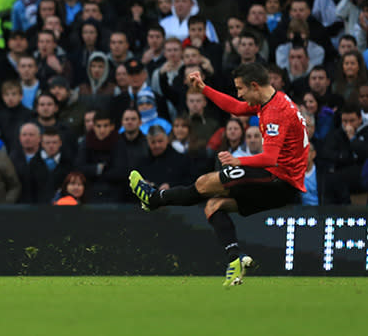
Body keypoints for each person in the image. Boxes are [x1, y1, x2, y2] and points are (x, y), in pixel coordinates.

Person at [129, 63, 309, 287]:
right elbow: (235, 107)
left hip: (277, 179)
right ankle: (236, 259)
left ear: (254, 86)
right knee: (213, 206)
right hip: (282, 184)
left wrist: (238, 160)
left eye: (241, 89)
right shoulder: (272, 100)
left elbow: (270, 157)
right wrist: (203, 88)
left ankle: (154, 199)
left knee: (205, 183)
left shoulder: (275, 112)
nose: (239, 94)